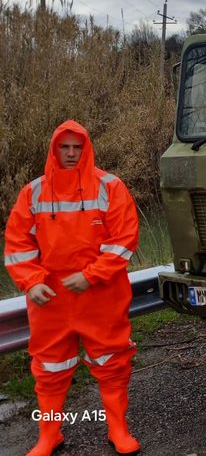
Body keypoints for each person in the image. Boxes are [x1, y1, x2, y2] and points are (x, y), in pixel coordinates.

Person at [4, 120, 141, 456]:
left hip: (101, 294)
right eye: (63, 147)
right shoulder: (33, 192)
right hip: (50, 298)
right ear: (53, 149)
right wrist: (30, 282)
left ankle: (118, 430)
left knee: (112, 362)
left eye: (76, 147)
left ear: (86, 148)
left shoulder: (109, 186)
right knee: (49, 369)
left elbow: (124, 239)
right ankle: (49, 435)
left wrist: (91, 275)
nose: (70, 153)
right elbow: (17, 244)